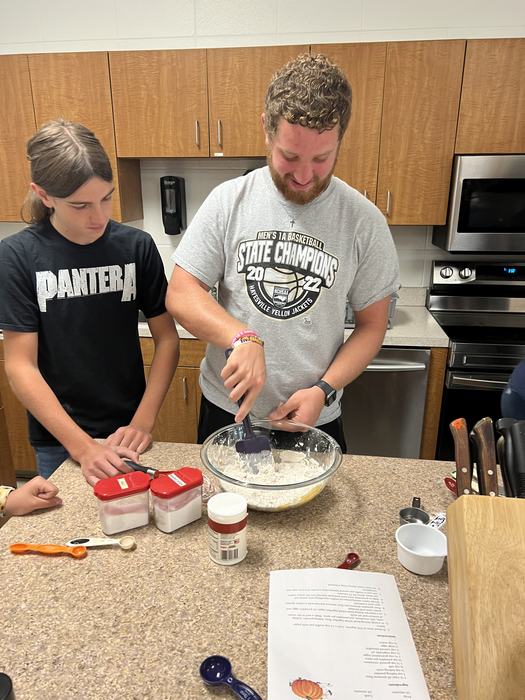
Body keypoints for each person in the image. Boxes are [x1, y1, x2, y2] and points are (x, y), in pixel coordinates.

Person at [167, 54, 400, 451]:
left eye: (321, 158)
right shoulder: (228, 202)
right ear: (266, 129)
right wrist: (242, 338)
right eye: (290, 156)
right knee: (227, 514)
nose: (305, 175)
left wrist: (323, 389)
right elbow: (181, 292)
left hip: (316, 416)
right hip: (229, 411)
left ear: (341, 137)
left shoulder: (364, 221)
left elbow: (371, 327)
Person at [0, 119, 179, 485]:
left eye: (106, 198)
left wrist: (143, 421)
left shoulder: (136, 246)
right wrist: (82, 448)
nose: (98, 216)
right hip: (59, 442)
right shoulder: (16, 257)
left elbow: (168, 339)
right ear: (44, 195)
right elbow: (21, 367)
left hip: (128, 432)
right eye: (80, 205)